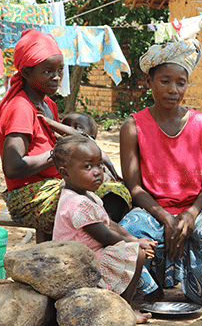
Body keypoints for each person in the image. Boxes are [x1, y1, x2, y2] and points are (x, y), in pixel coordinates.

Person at [118, 39, 202, 310]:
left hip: (197, 209)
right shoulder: (133, 126)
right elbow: (135, 188)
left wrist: (190, 214)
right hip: (152, 210)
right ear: (149, 81)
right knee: (128, 233)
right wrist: (166, 217)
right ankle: (149, 292)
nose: (173, 90)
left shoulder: (201, 124)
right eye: (165, 81)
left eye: (181, 82)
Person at [0, 30, 131, 243]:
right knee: (106, 196)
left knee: (115, 190)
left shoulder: (48, 105)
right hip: (29, 198)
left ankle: (94, 245)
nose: (56, 77)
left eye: (60, 70)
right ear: (26, 73)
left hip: (54, 185)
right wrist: (56, 155)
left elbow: (74, 140)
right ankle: (96, 247)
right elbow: (13, 167)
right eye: (47, 71)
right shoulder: (21, 108)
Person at [50, 135, 155, 323]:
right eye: (87, 166)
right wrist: (136, 243)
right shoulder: (76, 203)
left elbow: (109, 223)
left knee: (135, 248)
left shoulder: (89, 196)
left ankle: (119, 307)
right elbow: (105, 235)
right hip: (78, 264)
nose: (97, 172)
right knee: (137, 254)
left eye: (99, 165)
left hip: (89, 254)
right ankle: (124, 310)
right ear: (65, 173)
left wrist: (132, 237)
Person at [42, 112, 122, 183]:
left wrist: (49, 122)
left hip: (102, 179)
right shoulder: (63, 146)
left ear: (91, 136)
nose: (68, 130)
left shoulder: (87, 142)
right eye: (64, 126)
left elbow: (103, 155)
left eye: (76, 127)